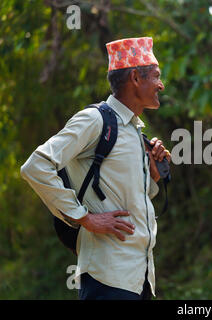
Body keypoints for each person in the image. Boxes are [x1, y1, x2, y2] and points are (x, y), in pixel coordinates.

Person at [20, 37, 171, 300]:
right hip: (107, 279)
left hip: (141, 280)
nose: (161, 84)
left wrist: (154, 177)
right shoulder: (95, 120)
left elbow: (129, 198)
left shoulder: (136, 132)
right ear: (135, 77)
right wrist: (84, 218)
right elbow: (36, 166)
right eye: (156, 76)